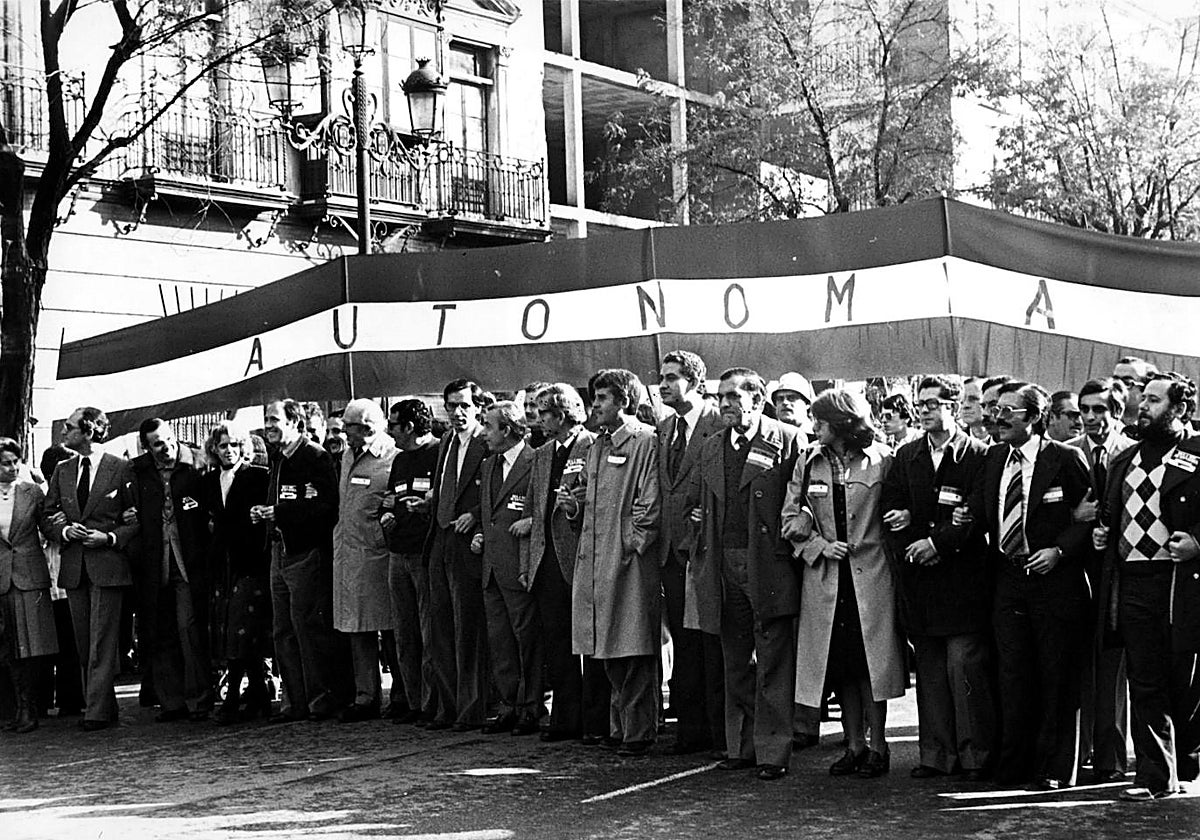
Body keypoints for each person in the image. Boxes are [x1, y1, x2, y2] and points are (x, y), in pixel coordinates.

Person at [972, 382, 1092, 790]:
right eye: (997, 410)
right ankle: (1014, 765)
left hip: (1054, 582)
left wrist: (1059, 550)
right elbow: (982, 512)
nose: (998, 417)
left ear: (1035, 417)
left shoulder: (1064, 458)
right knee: (1013, 674)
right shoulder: (993, 458)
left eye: (1009, 411)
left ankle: (1054, 768)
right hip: (1008, 579)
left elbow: (1089, 515)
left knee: (1055, 675)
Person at [782, 388, 904, 779]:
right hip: (826, 581)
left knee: (873, 665)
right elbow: (789, 520)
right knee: (841, 665)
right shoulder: (807, 461)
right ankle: (854, 745)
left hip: (873, 579)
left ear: (841, 423)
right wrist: (819, 545)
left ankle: (879, 746)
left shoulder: (883, 459)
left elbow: (898, 511)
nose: (814, 426)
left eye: (820, 420)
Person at [689, 367, 801, 780]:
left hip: (768, 564)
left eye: (734, 396)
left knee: (772, 659)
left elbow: (800, 501)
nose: (726, 404)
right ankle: (740, 746)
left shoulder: (788, 438)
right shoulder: (712, 445)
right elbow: (694, 501)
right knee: (735, 657)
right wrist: (697, 522)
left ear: (758, 399)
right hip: (722, 563)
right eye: (722, 397)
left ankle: (773, 752)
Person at [881, 376, 995, 782]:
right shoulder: (907, 454)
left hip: (963, 580)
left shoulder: (978, 454)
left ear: (953, 405)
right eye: (921, 404)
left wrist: (938, 543)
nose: (925, 411)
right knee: (929, 671)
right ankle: (936, 754)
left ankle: (975, 755)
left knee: (964, 667)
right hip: (922, 581)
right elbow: (891, 505)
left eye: (933, 403)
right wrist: (912, 533)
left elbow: (977, 514)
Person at [1093, 371, 1200, 801]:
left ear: (1180, 408)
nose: (1143, 407)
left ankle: (1186, 767)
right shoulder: (1125, 459)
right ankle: (1156, 777)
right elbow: (1111, 512)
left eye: (1155, 401)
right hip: (1132, 581)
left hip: (1180, 582)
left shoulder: (1196, 453)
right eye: (1144, 398)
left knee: (1184, 678)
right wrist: (1103, 533)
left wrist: (1198, 542)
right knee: (1144, 678)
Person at [568, 368, 661, 757]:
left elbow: (650, 504)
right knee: (606, 646)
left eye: (602, 398)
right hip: (596, 560)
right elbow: (590, 500)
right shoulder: (597, 445)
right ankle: (619, 725)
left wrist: (631, 545)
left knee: (632, 646)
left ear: (624, 401)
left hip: (625, 561)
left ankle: (637, 731)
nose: (595, 406)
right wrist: (573, 507)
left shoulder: (645, 441)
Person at [518, 383, 605, 743]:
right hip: (547, 561)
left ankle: (595, 719)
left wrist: (574, 508)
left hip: (579, 555)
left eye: (544, 412)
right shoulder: (541, 454)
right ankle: (565, 717)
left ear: (563, 413)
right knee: (556, 642)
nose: (537, 419)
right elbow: (532, 510)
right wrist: (527, 564)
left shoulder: (592, 445)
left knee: (588, 641)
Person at [44, 406, 138, 731]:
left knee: (102, 639)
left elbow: (136, 519)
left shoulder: (121, 468)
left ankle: (95, 711)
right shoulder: (62, 471)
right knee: (85, 642)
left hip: (108, 565)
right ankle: (103, 706)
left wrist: (109, 537)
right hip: (75, 567)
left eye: (69, 427)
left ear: (88, 431)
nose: (63, 432)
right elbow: (47, 514)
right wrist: (64, 531)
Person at [656, 350, 725, 756]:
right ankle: (692, 728)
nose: (663, 384)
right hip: (671, 550)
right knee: (683, 643)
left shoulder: (717, 422)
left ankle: (718, 730)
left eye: (672, 377)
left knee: (710, 643)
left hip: (704, 546)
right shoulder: (666, 427)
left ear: (695, 382)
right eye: (662, 377)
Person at [1067, 378, 1134, 783]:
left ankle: (1111, 759)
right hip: (1076, 570)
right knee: (1080, 663)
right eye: (1084, 410)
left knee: (1113, 665)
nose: (1090, 418)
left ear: (1118, 412)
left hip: (1119, 573)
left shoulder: (1132, 453)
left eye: (1099, 410)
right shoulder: (1068, 452)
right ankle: (1080, 753)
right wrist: (1078, 522)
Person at [261, 398, 346, 723]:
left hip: (305, 553)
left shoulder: (314, 456)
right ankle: (293, 702)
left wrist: (280, 513)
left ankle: (318, 700)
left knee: (307, 627)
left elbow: (326, 506)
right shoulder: (278, 457)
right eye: (267, 420)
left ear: (295, 422)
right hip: (279, 551)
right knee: (282, 629)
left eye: (274, 420)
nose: (268, 426)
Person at [129, 418, 213, 722]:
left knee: (188, 628)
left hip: (187, 561)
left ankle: (199, 699)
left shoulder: (196, 465)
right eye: (157, 444)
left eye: (167, 439)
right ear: (147, 448)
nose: (166, 447)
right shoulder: (138, 472)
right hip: (154, 564)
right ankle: (171, 702)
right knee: (160, 631)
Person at [424, 379, 490, 731]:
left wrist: (475, 514)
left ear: (477, 407)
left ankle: (470, 708)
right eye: (452, 406)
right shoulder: (447, 441)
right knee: (441, 624)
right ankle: (446, 707)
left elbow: (497, 487)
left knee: (468, 627)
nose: (458, 412)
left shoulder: (485, 441)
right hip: (441, 535)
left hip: (468, 540)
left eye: (465, 405)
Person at [473, 401, 542, 735]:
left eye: (489, 426)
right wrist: (480, 533)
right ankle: (509, 704)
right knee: (500, 640)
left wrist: (531, 523)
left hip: (519, 565)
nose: (483, 433)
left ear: (508, 429)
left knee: (526, 638)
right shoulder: (489, 465)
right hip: (492, 568)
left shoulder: (535, 460)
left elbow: (541, 508)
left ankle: (532, 705)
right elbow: (489, 513)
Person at [200, 422, 272, 725]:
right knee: (230, 629)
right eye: (223, 446)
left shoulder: (258, 476)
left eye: (234, 445)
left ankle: (233, 699)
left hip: (250, 562)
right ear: (214, 449)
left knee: (242, 628)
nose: (229, 451)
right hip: (222, 564)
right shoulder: (208, 481)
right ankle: (257, 695)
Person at [332, 399, 398, 722]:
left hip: (377, 554)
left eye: (350, 427)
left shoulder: (390, 457)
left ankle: (401, 694)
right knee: (356, 627)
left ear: (368, 428)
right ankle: (365, 696)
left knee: (390, 626)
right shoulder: (348, 455)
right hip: (349, 553)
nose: (345, 433)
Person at [380, 399, 439, 725]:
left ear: (410, 427)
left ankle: (431, 703)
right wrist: (387, 514)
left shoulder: (438, 453)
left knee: (429, 632)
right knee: (404, 633)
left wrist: (425, 509)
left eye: (393, 425)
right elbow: (390, 499)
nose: (389, 432)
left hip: (423, 554)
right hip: (398, 553)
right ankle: (413, 701)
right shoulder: (400, 460)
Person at [0, 438, 59, 733]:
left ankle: (30, 707)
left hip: (29, 576)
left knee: (32, 645)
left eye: (15, 462)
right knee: (7, 646)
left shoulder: (32, 491)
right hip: (2, 578)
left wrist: (64, 526)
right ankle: (15, 708)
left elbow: (47, 526)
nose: (12, 468)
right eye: (5, 463)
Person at [1113, 357, 1159, 438]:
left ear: (1146, 388)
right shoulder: (1100, 424)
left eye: (1127, 383)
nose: (1118, 387)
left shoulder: (1155, 429)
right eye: (1115, 381)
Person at [770, 372, 816, 440]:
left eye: (791, 398)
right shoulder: (769, 437)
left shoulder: (819, 435)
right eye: (780, 399)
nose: (785, 402)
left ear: (807, 403)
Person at [521, 382, 552, 449]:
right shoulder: (524, 441)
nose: (527, 411)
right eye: (525, 405)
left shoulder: (557, 442)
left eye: (533, 405)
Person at [961, 377, 990, 443]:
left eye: (973, 399)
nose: (965, 405)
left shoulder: (1005, 439)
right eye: (962, 400)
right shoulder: (956, 441)